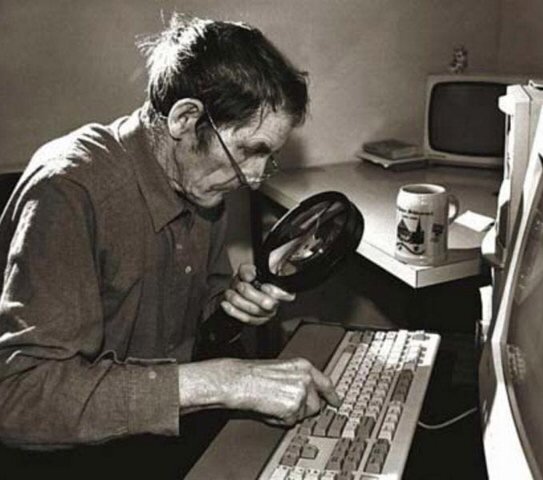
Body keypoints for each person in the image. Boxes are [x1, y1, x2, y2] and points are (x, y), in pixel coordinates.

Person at [0, 13, 339, 477]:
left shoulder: (202, 183)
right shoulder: (70, 190)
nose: (255, 178)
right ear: (185, 118)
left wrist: (231, 306)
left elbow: (189, 326)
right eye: (249, 150)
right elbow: (18, 397)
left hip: (157, 437)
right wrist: (224, 381)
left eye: (269, 157)